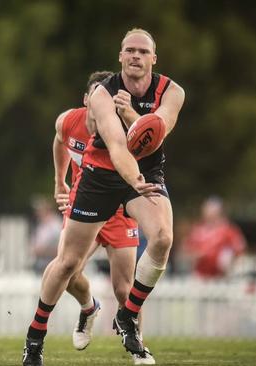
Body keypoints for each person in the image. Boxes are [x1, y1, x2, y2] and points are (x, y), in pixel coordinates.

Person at [23, 28, 185, 366]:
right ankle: (35, 339)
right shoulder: (101, 92)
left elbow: (157, 131)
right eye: (130, 50)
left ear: (154, 58)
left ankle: (128, 319)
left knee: (163, 238)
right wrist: (61, 181)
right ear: (120, 56)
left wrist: (130, 115)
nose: (136, 56)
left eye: (143, 51)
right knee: (67, 263)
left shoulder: (172, 91)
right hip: (101, 176)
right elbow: (114, 143)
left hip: (145, 175)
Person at [51, 70, 154, 364]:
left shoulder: (122, 129)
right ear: (87, 100)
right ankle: (88, 308)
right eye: (97, 97)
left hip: (119, 211)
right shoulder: (67, 121)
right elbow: (59, 141)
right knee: (66, 272)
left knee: (125, 289)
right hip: (84, 206)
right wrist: (59, 181)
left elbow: (149, 149)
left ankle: (138, 346)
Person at [182, 196, 246, 278]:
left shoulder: (228, 230)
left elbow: (240, 249)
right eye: (207, 209)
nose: (208, 212)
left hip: (221, 277)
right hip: (200, 275)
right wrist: (196, 255)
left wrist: (229, 261)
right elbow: (186, 250)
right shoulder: (198, 230)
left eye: (211, 209)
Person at [30, 197, 63, 274]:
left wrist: (42, 250)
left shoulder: (56, 225)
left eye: (40, 210)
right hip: (41, 264)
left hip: (51, 265)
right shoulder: (41, 225)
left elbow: (59, 248)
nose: (37, 212)